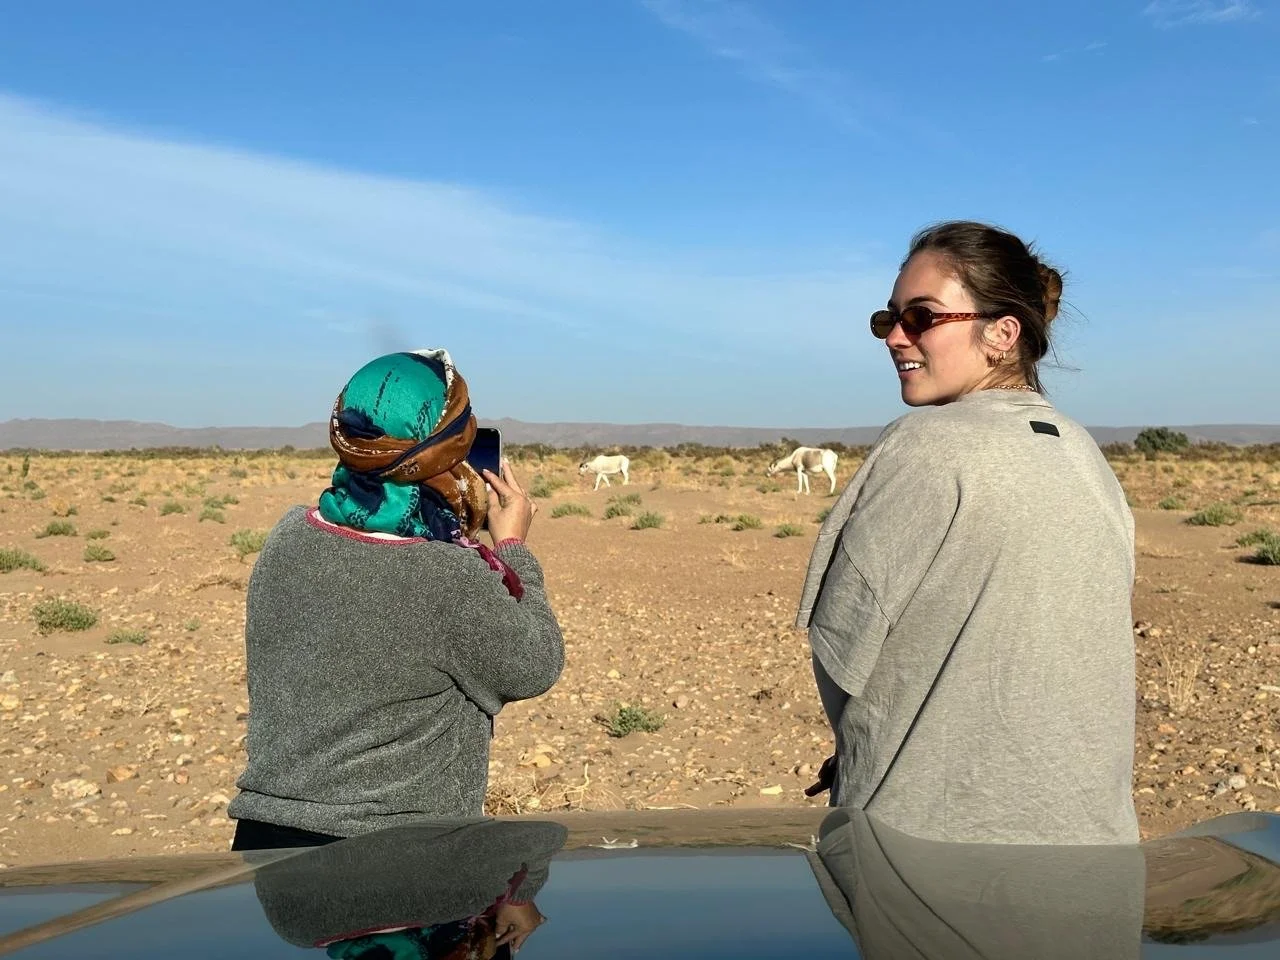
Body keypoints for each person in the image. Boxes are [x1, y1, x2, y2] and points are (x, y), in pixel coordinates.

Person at [796, 221, 1138, 844]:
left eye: (921, 317)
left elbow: (842, 654)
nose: (895, 337)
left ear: (1002, 334)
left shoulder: (923, 445)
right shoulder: (1085, 454)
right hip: (1097, 858)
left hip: (930, 855)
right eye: (888, 318)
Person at [227, 348, 565, 850]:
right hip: (397, 857)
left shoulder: (288, 535)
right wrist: (513, 547)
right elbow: (534, 665)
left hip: (266, 850)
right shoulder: (448, 575)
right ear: (446, 451)